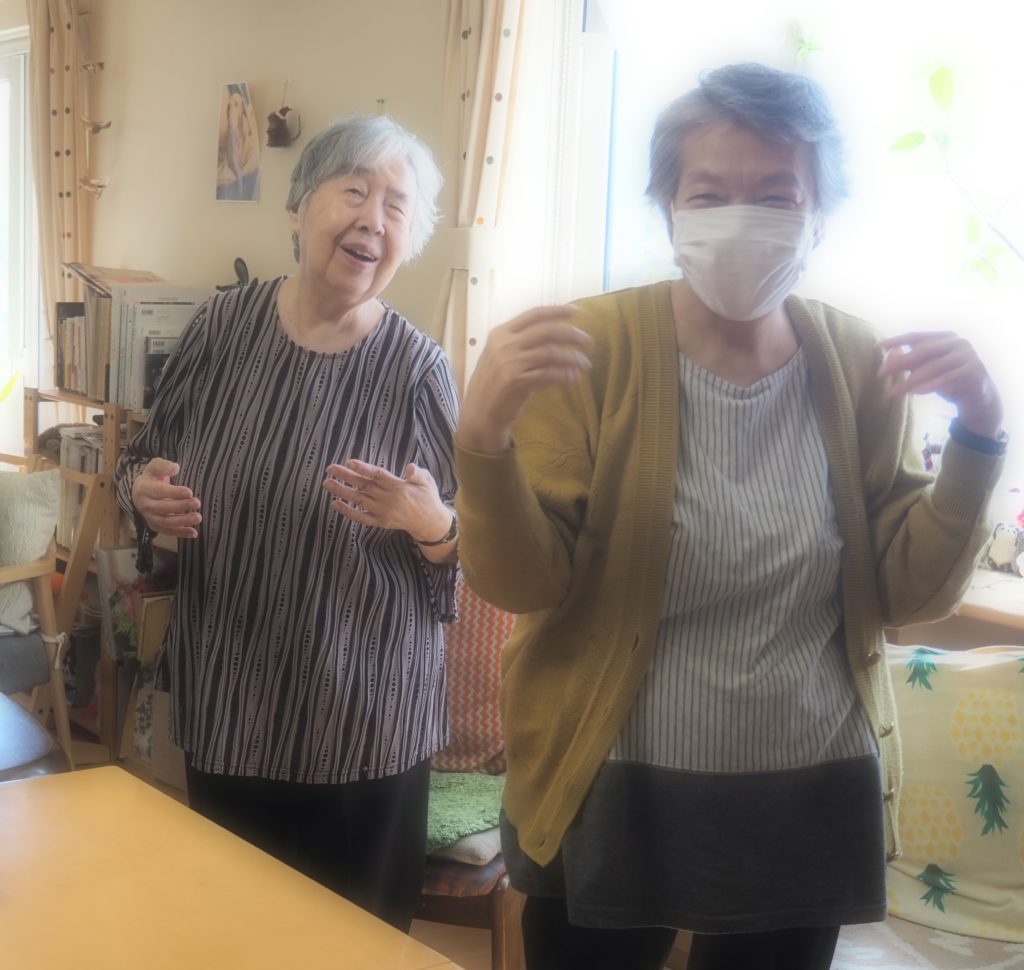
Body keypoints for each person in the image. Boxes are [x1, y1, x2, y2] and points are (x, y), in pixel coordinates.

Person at [453, 63, 1007, 970]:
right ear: (668, 208)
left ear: (819, 215)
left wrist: (981, 433)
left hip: (806, 791)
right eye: (708, 193)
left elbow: (906, 594)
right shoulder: (590, 350)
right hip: (608, 789)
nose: (741, 219)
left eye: (776, 195)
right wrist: (483, 439)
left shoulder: (858, 362)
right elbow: (522, 581)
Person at [115, 116, 459, 932]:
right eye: (355, 191)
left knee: (357, 943)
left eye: (398, 207)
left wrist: (430, 523)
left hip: (367, 720)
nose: (374, 219)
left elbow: (467, 550)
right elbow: (141, 460)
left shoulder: (420, 370)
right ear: (299, 209)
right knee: (236, 932)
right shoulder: (220, 328)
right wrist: (144, 493)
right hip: (233, 699)